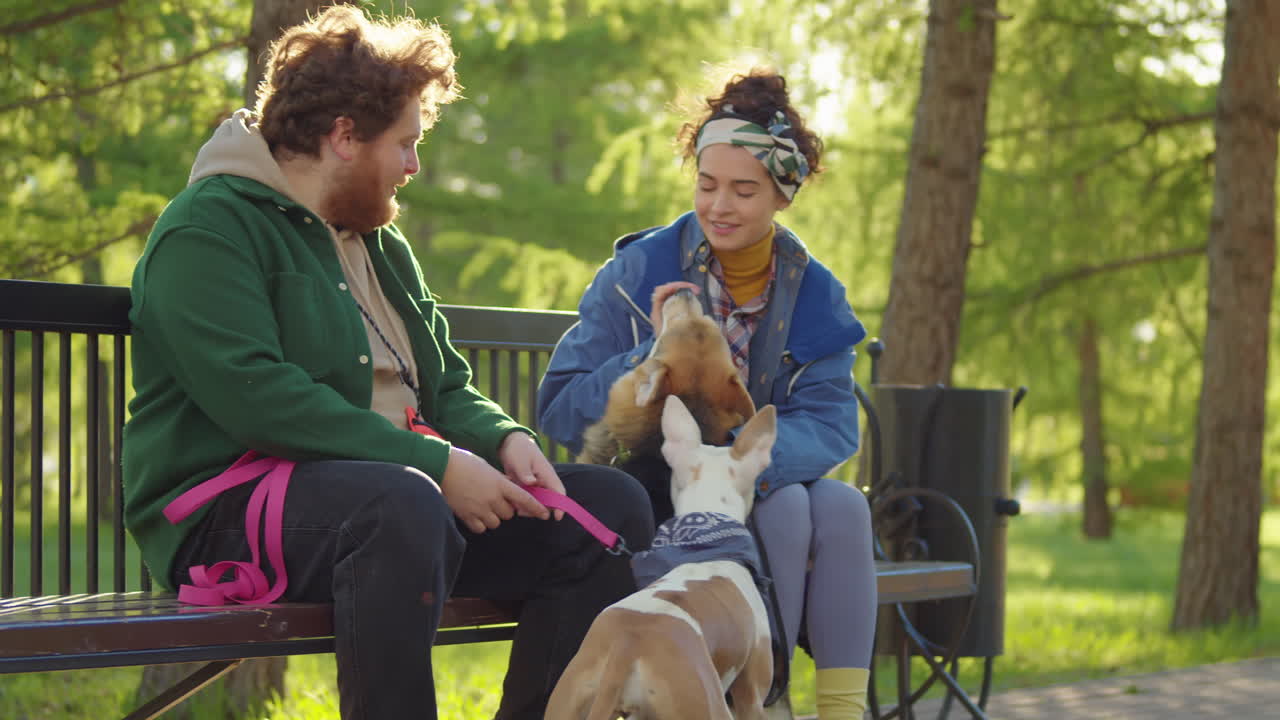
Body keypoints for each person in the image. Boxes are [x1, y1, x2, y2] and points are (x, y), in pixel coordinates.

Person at [122, 6, 653, 719]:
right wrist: (434, 467)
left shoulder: (379, 244)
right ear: (344, 136)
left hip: (395, 504)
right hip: (230, 513)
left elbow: (445, 385)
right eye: (405, 143)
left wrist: (502, 439)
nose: (414, 165)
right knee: (402, 507)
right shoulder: (207, 229)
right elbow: (260, 400)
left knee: (609, 508)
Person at [537, 68, 876, 719]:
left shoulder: (816, 296)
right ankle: (757, 692)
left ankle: (840, 711)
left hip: (752, 475)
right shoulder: (639, 270)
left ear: (782, 195)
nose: (719, 205)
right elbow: (559, 405)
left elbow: (833, 424)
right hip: (657, 480)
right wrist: (656, 349)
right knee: (792, 513)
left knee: (841, 508)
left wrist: (739, 456)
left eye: (744, 190)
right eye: (707, 184)